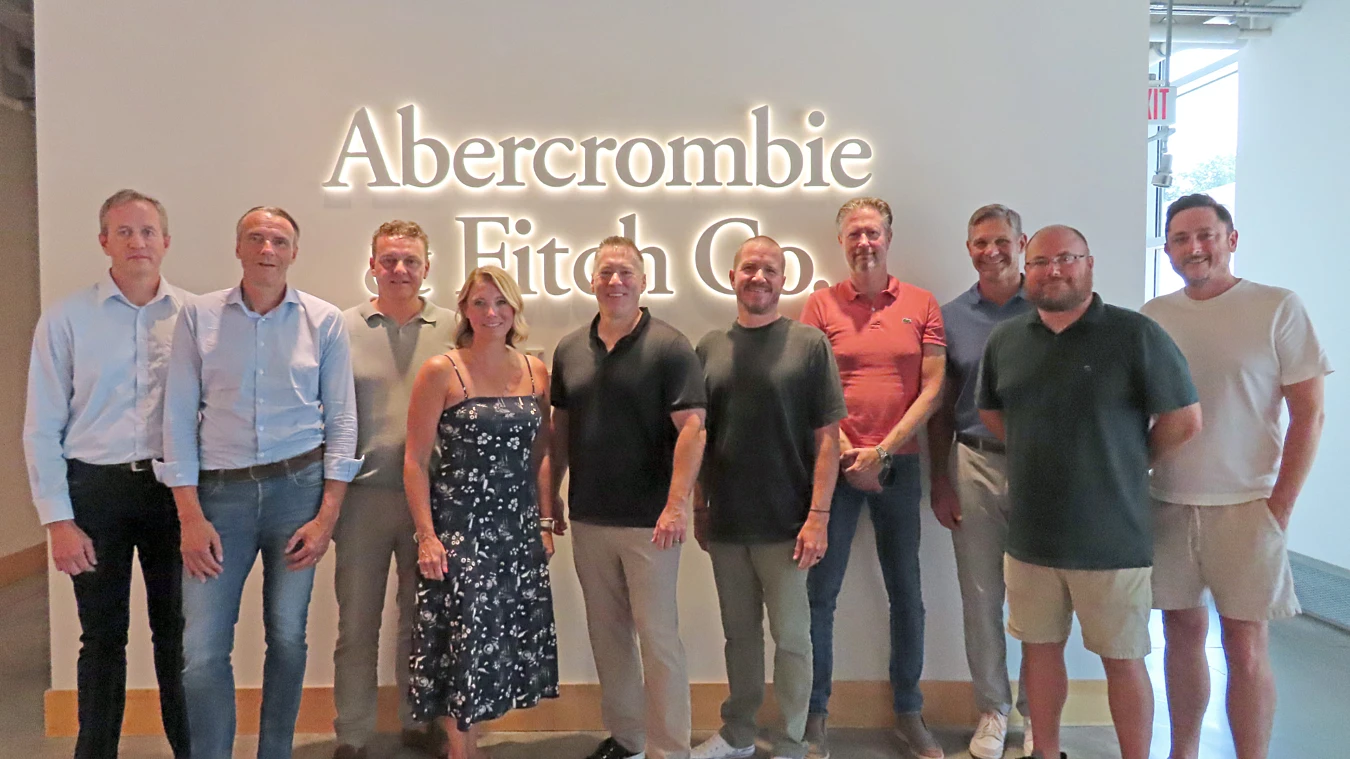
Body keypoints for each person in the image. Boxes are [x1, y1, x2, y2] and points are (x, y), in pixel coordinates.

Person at [976, 224, 1201, 759]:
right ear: (1025, 271)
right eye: (1041, 262)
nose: (1054, 270)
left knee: (1123, 659)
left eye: (1066, 259)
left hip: (1112, 537)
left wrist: (1128, 462)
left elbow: (1184, 419)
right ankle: (1046, 752)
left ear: (1089, 264)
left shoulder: (1135, 335)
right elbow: (990, 411)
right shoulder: (1006, 340)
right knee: (1038, 651)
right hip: (1031, 536)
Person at [160, 206, 362, 759]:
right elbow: (176, 417)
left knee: (288, 637)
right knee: (201, 649)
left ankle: (275, 751)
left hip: (297, 492)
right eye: (256, 238)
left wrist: (327, 517)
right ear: (239, 247)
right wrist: (189, 515)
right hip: (217, 498)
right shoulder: (198, 317)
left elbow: (342, 421)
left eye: (279, 240)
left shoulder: (322, 322)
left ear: (294, 252)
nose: (267, 249)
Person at [1142, 194, 1330, 759]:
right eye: (1180, 239)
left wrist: (1281, 505)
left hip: (1248, 507)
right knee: (1180, 638)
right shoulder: (1155, 316)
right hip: (1169, 501)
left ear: (1231, 238)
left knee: (1246, 646)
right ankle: (1184, 751)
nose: (1193, 248)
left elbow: (1309, 413)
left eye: (1205, 235)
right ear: (1169, 249)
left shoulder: (1277, 307)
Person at [23, 189, 191, 759]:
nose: (137, 243)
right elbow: (41, 426)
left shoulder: (194, 318)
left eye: (147, 232)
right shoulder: (67, 319)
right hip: (93, 492)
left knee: (178, 637)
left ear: (166, 242)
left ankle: (192, 748)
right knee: (101, 638)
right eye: (124, 232)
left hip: (173, 494)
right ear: (104, 243)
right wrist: (58, 522)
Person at [799, 197, 946, 759]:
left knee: (906, 592)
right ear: (842, 241)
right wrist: (846, 453)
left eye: (874, 232)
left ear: (889, 237)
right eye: (855, 233)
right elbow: (810, 388)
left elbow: (932, 387)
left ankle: (909, 711)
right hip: (831, 470)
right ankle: (815, 716)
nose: (865, 242)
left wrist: (881, 453)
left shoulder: (920, 303)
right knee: (820, 594)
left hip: (899, 467)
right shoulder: (819, 306)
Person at [691, 236, 848, 759]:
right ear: (732, 277)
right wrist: (697, 506)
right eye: (749, 268)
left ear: (784, 280)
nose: (759, 277)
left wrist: (819, 515)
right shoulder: (709, 348)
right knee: (739, 637)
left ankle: (793, 739)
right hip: (729, 522)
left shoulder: (808, 344)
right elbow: (696, 437)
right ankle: (738, 732)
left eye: (770, 270)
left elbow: (828, 437)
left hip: (789, 523)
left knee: (792, 641)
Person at [551, 237, 706, 759]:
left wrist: (676, 504)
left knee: (659, 640)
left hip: (650, 522)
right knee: (608, 636)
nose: (614, 281)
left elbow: (693, 430)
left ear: (643, 281)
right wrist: (549, 494)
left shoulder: (669, 345)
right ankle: (628, 739)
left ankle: (669, 750)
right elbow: (560, 429)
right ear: (591, 280)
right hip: (590, 518)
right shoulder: (570, 349)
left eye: (625, 272)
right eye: (605, 272)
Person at [405, 266, 559, 759]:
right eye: (479, 303)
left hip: (515, 526)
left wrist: (543, 519)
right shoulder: (441, 370)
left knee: (498, 634)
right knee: (461, 634)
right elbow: (414, 459)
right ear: (464, 310)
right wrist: (427, 536)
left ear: (515, 310)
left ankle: (471, 741)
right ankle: (459, 748)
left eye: (501, 303)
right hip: (459, 525)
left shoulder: (536, 370)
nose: (491, 313)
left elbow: (542, 453)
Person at [333, 221, 455, 759]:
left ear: (427, 268)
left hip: (432, 501)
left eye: (410, 260)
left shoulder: (456, 328)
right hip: (362, 499)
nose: (400, 270)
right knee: (356, 625)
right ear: (373, 264)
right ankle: (352, 735)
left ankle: (417, 720)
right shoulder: (341, 328)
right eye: (389, 260)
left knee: (420, 620)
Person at [926, 204, 1034, 759]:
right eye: (978, 243)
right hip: (971, 463)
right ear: (968, 248)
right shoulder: (948, 317)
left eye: (1000, 241)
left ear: (1022, 242)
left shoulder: (1050, 304)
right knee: (980, 594)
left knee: (1039, 594)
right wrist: (939, 482)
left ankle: (1040, 712)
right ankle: (993, 709)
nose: (989, 251)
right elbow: (940, 406)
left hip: (1042, 468)